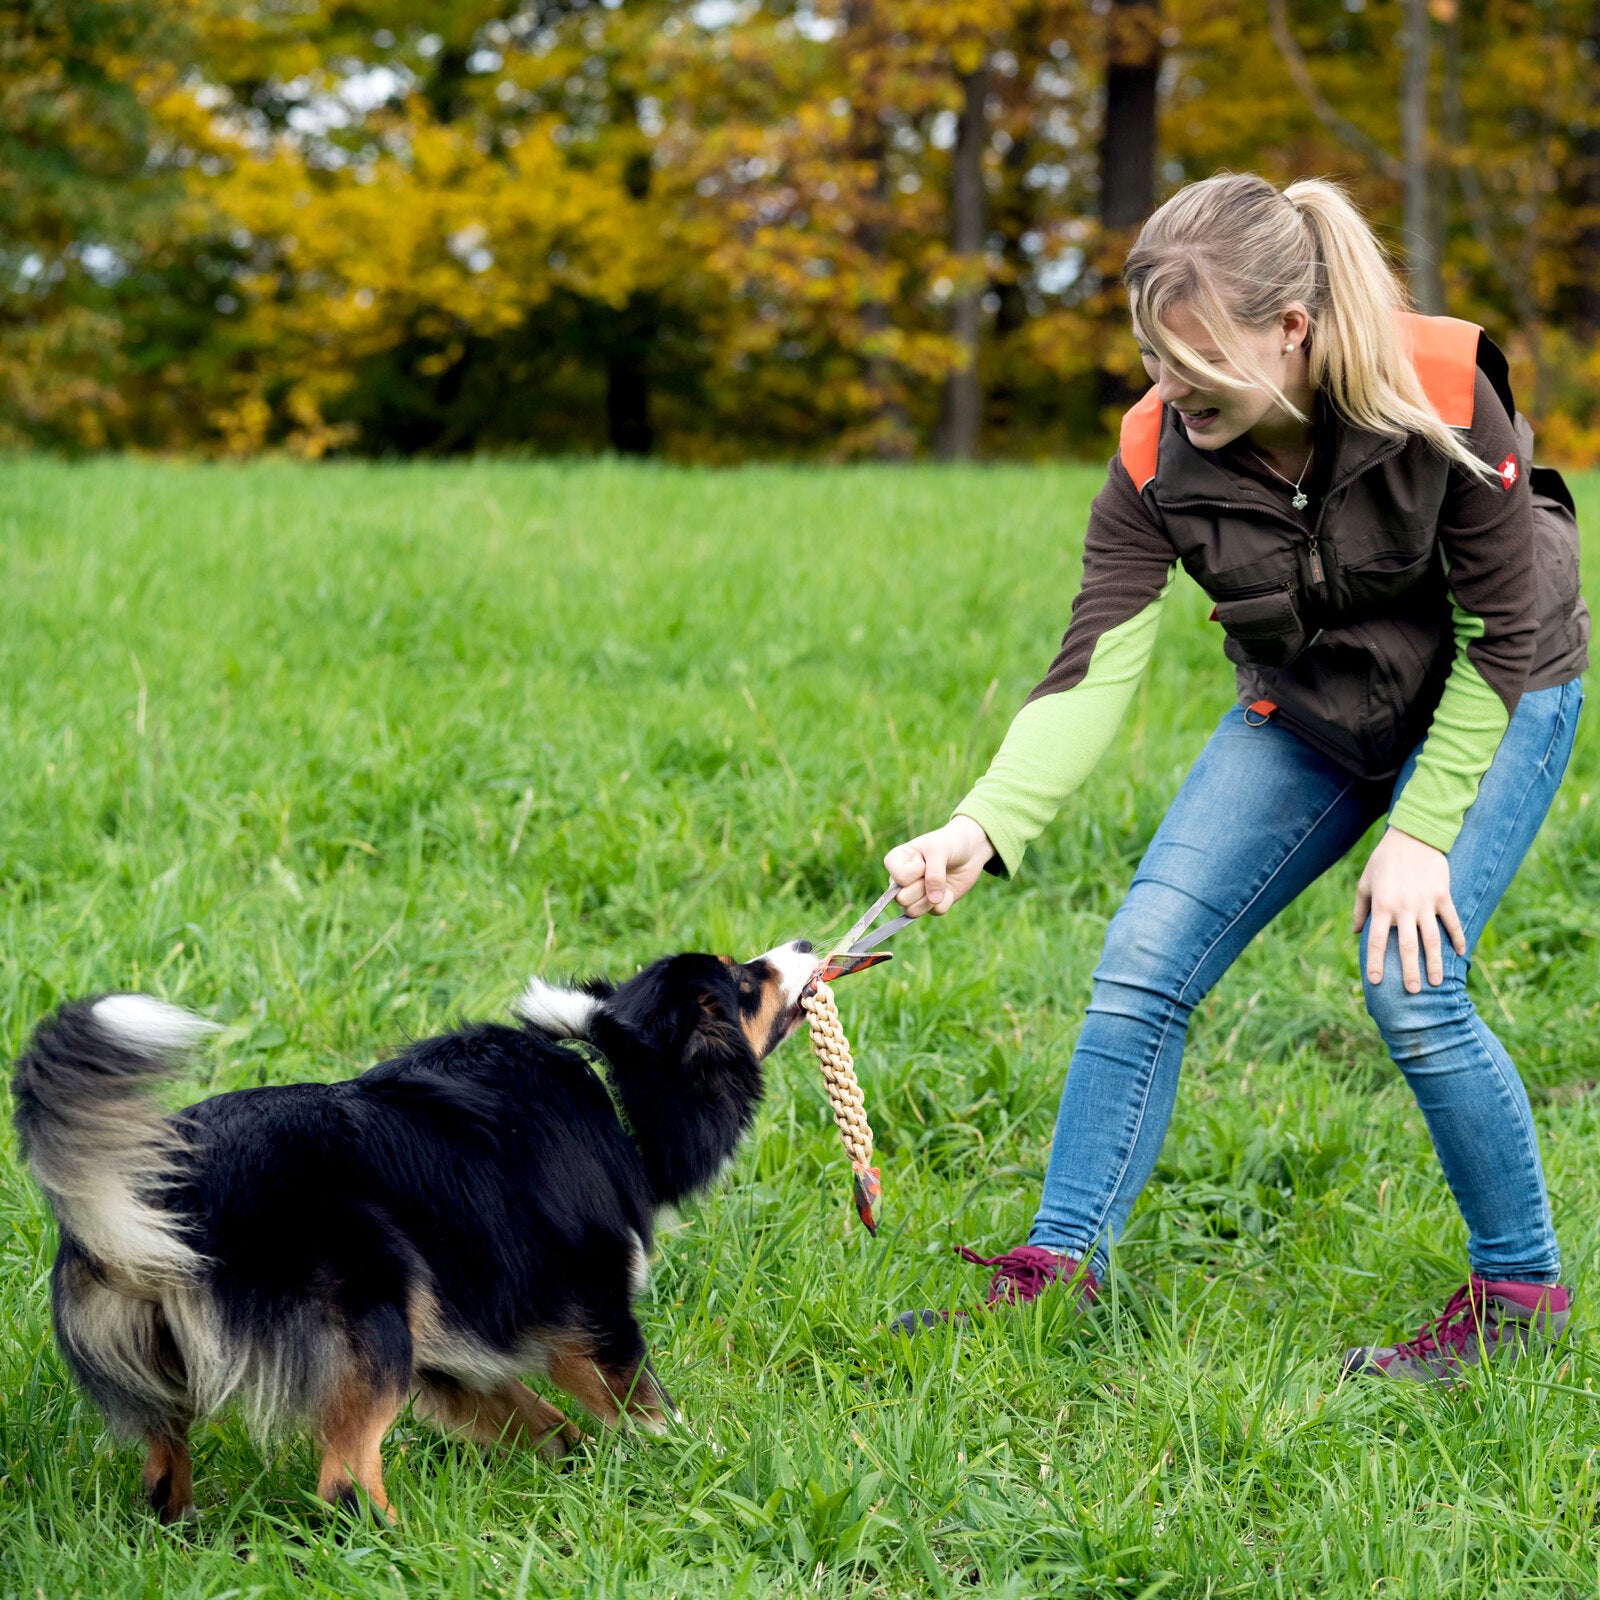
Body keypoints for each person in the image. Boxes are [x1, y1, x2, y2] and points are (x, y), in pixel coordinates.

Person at [884, 173, 1588, 1382]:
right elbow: (1096, 660)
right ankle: (1062, 1269)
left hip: (1501, 685)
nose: (1171, 385)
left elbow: (1502, 633)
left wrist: (1420, 831)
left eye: (1196, 355)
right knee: (1140, 963)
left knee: (1410, 984)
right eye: (1153, 355)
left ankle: (1520, 1293)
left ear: (1293, 330)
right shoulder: (1159, 448)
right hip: (1315, 704)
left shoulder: (1437, 388)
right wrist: (981, 822)